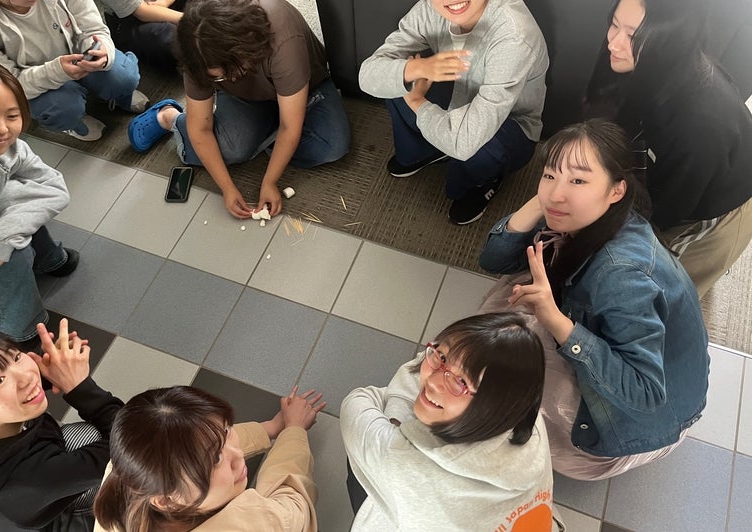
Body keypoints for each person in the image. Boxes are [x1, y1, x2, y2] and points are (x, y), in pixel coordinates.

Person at [479, 119, 710, 481]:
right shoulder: (595, 216)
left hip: (645, 423)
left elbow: (646, 393)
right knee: (514, 299)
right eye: (549, 174)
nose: (557, 193)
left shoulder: (622, 275)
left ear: (617, 190)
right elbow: (493, 259)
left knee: (501, 379)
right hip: (649, 375)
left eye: (578, 180)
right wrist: (544, 201)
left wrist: (557, 321)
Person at [584, 0, 752, 298]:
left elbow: (666, 212)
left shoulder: (699, 124)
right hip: (680, 166)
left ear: (671, 40)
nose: (614, 43)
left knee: (655, 289)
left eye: (633, 35)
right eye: (614, 24)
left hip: (715, 207)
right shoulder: (640, 58)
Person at [128, 0, 350, 219]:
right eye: (219, 78)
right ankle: (170, 117)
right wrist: (227, 188)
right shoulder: (195, 49)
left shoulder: (282, 38)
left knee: (330, 146)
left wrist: (269, 181)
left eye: (232, 71)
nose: (231, 79)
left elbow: (290, 126)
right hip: (248, 97)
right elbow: (201, 129)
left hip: (305, 85)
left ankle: (262, 133)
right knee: (232, 150)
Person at [340, 313, 556, 531]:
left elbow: (357, 402)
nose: (434, 382)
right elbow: (421, 362)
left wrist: (396, 420)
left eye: (461, 381)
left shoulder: (405, 461)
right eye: (442, 357)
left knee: (360, 465)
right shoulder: (526, 416)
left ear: (494, 406)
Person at [358, 0, 548, 225]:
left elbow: (465, 142)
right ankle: (425, 150)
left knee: (475, 150)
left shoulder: (514, 35)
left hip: (509, 123)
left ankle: (483, 182)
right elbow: (368, 76)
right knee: (396, 78)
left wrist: (418, 102)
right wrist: (416, 68)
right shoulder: (429, 8)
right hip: (456, 93)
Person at [0, 318, 124, 531]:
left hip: (36, 496)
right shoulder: (28, 479)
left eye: (16, 356)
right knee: (146, 472)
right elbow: (136, 439)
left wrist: (56, 369)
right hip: (58, 520)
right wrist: (80, 387)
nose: (27, 375)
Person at [0, 58, 79, 346]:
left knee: (16, 199)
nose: (2, 129)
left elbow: (54, 188)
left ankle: (48, 259)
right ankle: (12, 336)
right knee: (12, 250)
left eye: (12, 115)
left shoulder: (11, 149)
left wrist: (2, 233)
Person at [93, 384, 326, 532]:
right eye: (216, 459)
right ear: (166, 500)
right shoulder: (250, 523)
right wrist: (293, 429)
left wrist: (269, 428)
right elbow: (293, 506)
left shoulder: (126, 472)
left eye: (226, 430)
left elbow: (199, 445)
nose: (237, 455)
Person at [0, 0, 149, 142]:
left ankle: (119, 96)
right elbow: (8, 84)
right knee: (63, 109)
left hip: (79, 55)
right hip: (36, 80)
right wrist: (56, 71)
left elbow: (94, 27)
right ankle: (73, 122)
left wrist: (102, 51)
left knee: (123, 78)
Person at [102, 0, 185, 73]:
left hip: (153, 5)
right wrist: (188, 20)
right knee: (173, 40)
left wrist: (165, 2)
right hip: (129, 17)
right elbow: (142, 12)